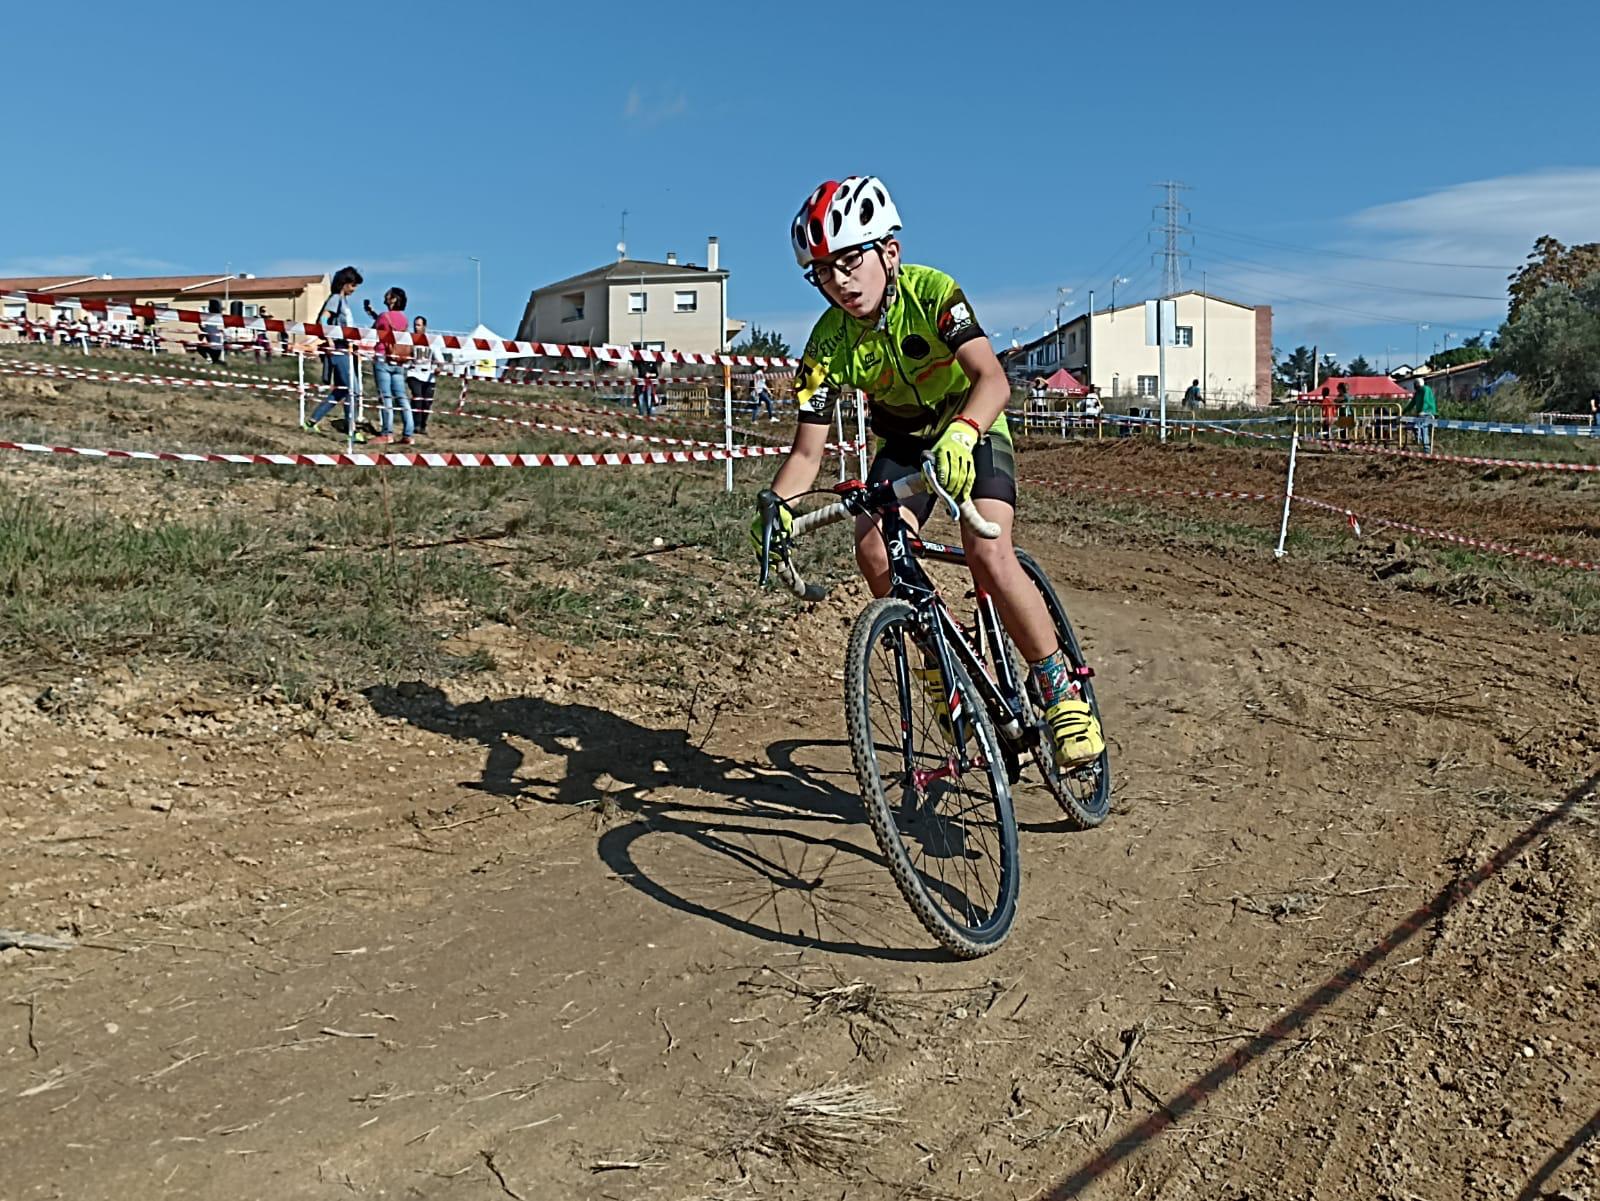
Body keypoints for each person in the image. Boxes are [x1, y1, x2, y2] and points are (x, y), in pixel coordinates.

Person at [753, 176, 1104, 769]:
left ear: (889, 253)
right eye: (822, 272)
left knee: (989, 550)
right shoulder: (826, 345)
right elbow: (806, 455)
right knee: (874, 550)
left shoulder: (933, 293)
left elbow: (994, 379)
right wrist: (777, 505)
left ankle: (1058, 688)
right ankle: (942, 666)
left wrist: (964, 434)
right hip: (906, 443)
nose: (839, 281)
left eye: (849, 261)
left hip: (974, 423)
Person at [303, 266, 364, 441]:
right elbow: (323, 318)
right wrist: (329, 342)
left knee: (340, 391)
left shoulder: (343, 302)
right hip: (338, 349)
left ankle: (312, 422)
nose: (354, 289)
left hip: (344, 348)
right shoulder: (336, 299)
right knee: (353, 389)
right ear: (344, 283)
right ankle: (351, 430)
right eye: (353, 285)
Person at [364, 287, 413, 445]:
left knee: (386, 397)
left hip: (383, 358)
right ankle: (408, 434)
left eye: (388, 295)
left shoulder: (384, 316)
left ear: (393, 299)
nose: (385, 297)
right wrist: (373, 313)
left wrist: (373, 315)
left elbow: (375, 329)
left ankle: (387, 433)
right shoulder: (404, 319)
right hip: (399, 360)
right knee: (402, 397)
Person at [405, 315, 437, 436]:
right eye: (415, 325)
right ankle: (416, 425)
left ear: (424, 326)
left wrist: (439, 367)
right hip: (414, 373)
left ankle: (423, 425)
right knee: (417, 397)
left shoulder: (432, 341)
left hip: (429, 375)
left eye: (418, 325)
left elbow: (439, 359)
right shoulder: (410, 339)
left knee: (427, 401)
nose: (416, 327)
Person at [1410, 375, 1438, 453]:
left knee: (1423, 428)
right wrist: (1402, 412)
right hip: (1420, 414)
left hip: (1428, 412)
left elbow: (1425, 400)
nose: (1414, 387)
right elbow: (1412, 404)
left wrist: (1422, 411)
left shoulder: (1425, 389)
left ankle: (1426, 449)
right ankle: (1421, 442)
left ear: (1417, 385)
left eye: (1415, 385)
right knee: (1415, 426)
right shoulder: (1417, 393)